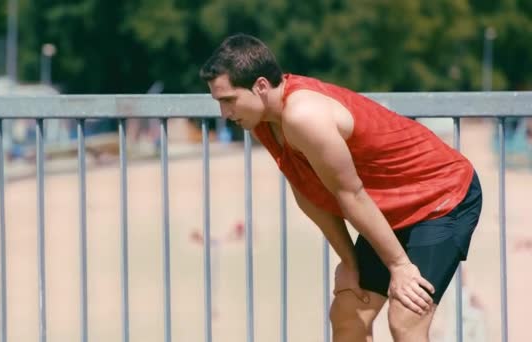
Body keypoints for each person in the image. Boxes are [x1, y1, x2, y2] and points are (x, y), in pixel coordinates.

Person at [199, 33, 483, 342]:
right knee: (349, 313)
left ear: (261, 86)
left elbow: (352, 194)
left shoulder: (303, 115)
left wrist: (400, 266)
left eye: (228, 100)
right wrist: (349, 263)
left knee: (405, 319)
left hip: (443, 196)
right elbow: (307, 191)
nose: (224, 114)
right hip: (391, 209)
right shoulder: (264, 121)